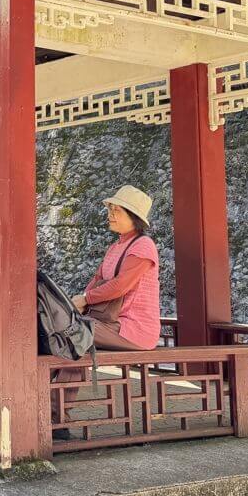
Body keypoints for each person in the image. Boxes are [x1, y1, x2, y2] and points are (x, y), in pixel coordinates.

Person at [54, 186, 160, 439]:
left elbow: (120, 285)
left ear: (133, 216)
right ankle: (53, 415)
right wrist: (78, 303)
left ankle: (55, 416)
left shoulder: (144, 246)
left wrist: (86, 299)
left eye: (117, 210)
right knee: (68, 338)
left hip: (134, 329)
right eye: (110, 209)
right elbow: (96, 279)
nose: (110, 214)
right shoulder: (116, 247)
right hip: (110, 323)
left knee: (75, 334)